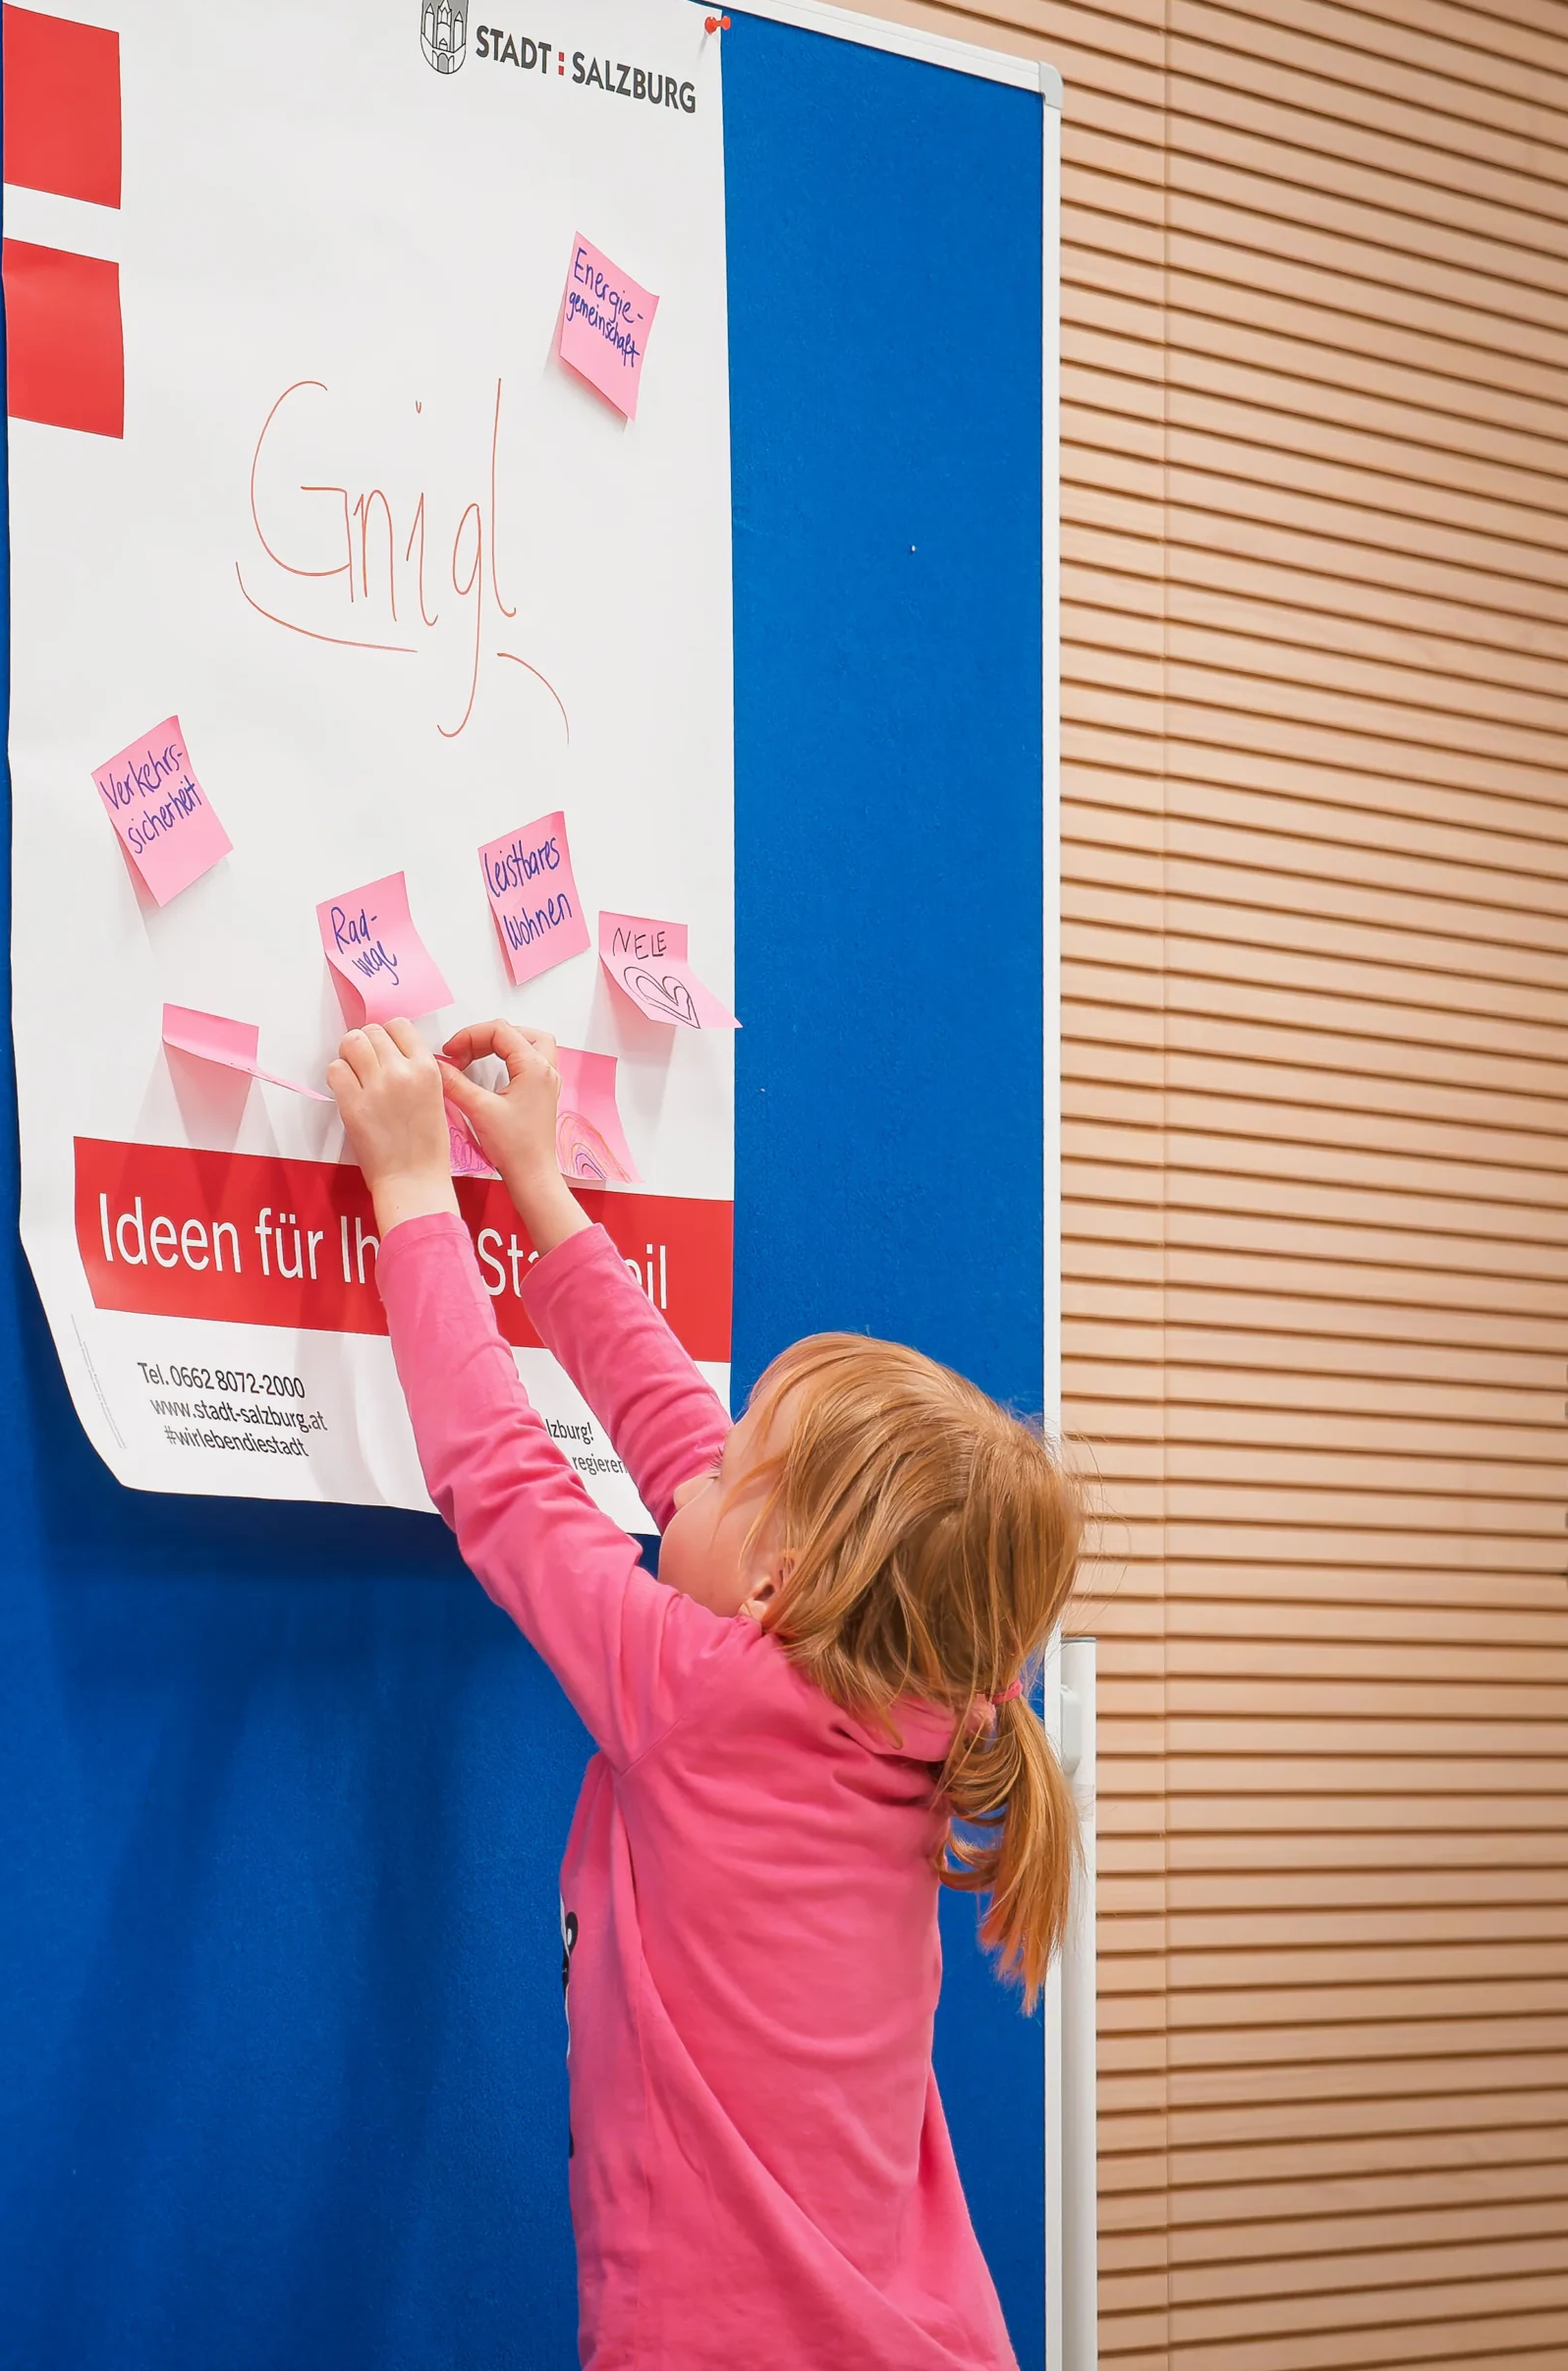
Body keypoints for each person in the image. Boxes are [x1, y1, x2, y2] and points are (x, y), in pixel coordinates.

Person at [326, 1015, 1085, 2371]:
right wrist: (542, 1193)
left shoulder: (700, 1695)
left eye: (743, 1473)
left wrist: (412, 1194)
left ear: (778, 1588)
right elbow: (678, 1440)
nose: (706, 1455)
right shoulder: (927, 1707)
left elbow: (504, 1483)